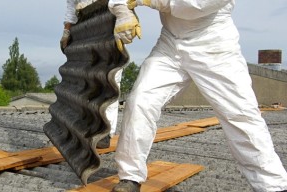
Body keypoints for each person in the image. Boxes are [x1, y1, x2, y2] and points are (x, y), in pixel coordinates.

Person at [107, 0, 287, 191]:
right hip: (170, 43)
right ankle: (130, 176)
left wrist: (147, 0)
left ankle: (272, 185)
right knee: (140, 101)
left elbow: (194, 6)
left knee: (240, 114)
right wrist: (122, 11)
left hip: (213, 44)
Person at [60, 0, 123, 148]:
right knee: (87, 79)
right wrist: (67, 30)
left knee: (110, 80)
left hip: (109, 23)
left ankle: (106, 132)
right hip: (87, 28)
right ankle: (87, 127)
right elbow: (71, 4)